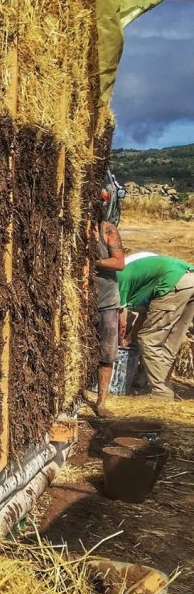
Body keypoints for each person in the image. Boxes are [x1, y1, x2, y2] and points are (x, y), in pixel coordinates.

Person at [118, 255, 194, 399]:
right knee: (169, 343)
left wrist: (121, 339)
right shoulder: (138, 274)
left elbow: (121, 320)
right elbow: (144, 315)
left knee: (148, 340)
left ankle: (161, 394)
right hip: (189, 279)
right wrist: (131, 335)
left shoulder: (117, 278)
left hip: (172, 282)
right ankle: (165, 387)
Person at [93, 174, 125, 418]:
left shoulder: (108, 230)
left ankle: (101, 402)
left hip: (106, 302)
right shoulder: (80, 227)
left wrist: (94, 261)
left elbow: (119, 263)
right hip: (87, 301)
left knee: (106, 352)